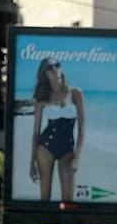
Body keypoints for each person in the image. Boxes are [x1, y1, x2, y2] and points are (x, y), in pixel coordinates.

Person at [28, 58, 86, 202]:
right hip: (45, 147)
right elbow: (36, 132)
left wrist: (77, 156)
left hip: (67, 148)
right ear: (45, 74)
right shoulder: (42, 99)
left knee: (68, 201)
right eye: (50, 68)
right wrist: (32, 163)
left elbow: (82, 126)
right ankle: (43, 223)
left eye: (57, 66)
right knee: (45, 197)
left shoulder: (75, 93)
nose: (54, 70)